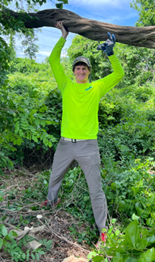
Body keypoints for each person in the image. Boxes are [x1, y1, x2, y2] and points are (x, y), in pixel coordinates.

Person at [43, 21, 124, 245]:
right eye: (77, 67)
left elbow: (118, 74)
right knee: (54, 178)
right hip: (65, 144)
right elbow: (52, 61)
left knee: (95, 189)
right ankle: (51, 202)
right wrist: (63, 37)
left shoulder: (96, 87)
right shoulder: (67, 85)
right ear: (74, 71)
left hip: (88, 145)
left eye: (84, 68)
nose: (80, 70)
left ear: (89, 72)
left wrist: (111, 54)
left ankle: (104, 230)